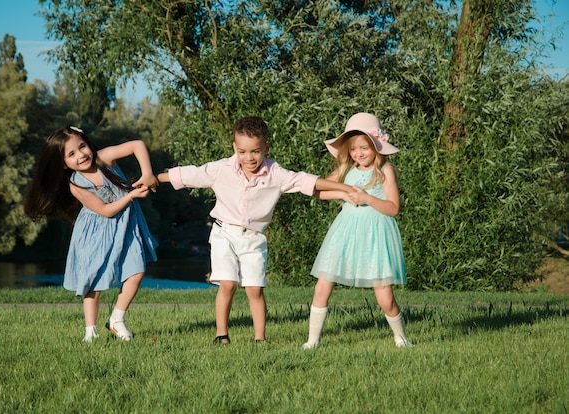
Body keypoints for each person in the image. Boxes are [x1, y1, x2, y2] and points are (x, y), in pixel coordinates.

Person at [157, 116, 360, 344]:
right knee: (228, 284)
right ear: (235, 147)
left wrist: (344, 188)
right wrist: (154, 179)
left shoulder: (276, 174)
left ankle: (259, 339)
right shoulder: (221, 169)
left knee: (254, 289)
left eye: (255, 151)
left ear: (266, 147)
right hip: (224, 233)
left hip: (253, 239)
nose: (249, 158)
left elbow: (307, 181)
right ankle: (221, 335)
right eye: (242, 152)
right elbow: (189, 174)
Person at [24, 126, 159, 342]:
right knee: (94, 281)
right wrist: (131, 195)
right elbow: (105, 211)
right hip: (96, 231)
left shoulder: (103, 158)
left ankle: (117, 319)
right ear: (63, 163)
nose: (81, 155)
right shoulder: (76, 184)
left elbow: (137, 145)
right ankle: (91, 332)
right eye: (71, 154)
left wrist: (147, 173)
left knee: (137, 270)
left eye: (82, 146)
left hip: (126, 224)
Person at [303, 113, 413, 349]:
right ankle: (312, 341)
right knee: (322, 285)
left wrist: (367, 198)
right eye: (353, 149)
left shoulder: (385, 170)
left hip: (375, 234)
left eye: (364, 148)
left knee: (384, 296)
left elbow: (393, 208)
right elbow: (319, 191)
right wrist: (343, 193)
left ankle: (401, 338)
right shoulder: (346, 169)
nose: (359, 153)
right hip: (345, 232)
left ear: (376, 146)